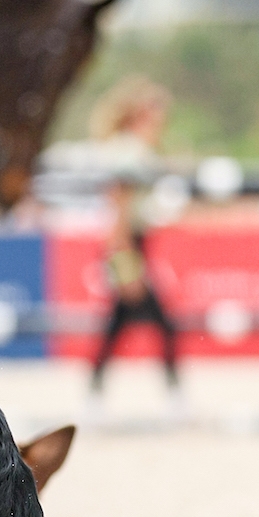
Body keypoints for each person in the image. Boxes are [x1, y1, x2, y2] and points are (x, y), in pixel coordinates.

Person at [87, 79, 180, 395]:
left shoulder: (136, 149)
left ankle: (96, 388)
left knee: (121, 320)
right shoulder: (130, 152)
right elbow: (120, 209)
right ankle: (173, 391)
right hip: (125, 244)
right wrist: (124, 258)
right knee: (154, 320)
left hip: (128, 244)